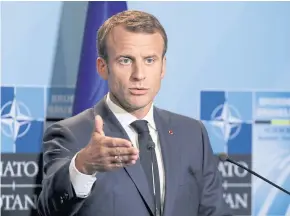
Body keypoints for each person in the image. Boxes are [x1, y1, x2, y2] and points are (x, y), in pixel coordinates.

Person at [37, 10, 232, 216]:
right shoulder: (71, 134)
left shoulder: (192, 133)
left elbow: (214, 211)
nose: (139, 75)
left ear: (162, 67)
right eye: (125, 60)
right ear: (102, 67)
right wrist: (83, 165)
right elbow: (49, 210)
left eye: (149, 60)